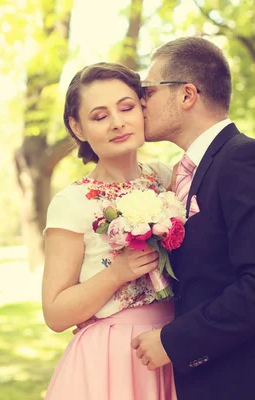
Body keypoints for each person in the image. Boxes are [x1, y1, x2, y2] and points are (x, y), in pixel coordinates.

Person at [130, 36, 255, 399]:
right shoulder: (186, 172)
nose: (141, 102)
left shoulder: (246, 160)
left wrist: (174, 341)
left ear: (187, 95)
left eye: (149, 90)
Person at [42, 62, 177, 400]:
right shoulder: (72, 203)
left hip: (173, 344)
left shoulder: (165, 178)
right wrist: (117, 273)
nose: (118, 122)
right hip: (112, 359)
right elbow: (55, 314)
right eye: (100, 116)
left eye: (127, 107)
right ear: (78, 127)